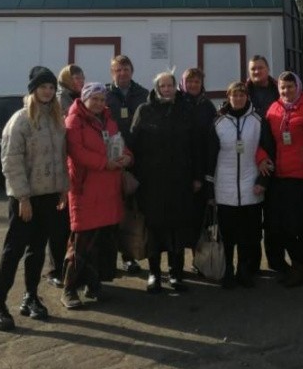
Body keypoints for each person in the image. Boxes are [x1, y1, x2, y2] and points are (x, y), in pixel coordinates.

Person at [0, 66, 68, 331]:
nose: (48, 91)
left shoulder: (56, 119)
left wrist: (63, 188)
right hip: (26, 199)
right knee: (13, 251)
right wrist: (22, 198)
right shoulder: (21, 120)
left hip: (49, 196)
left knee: (37, 250)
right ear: (33, 90)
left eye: (52, 87)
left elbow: (61, 158)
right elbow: (11, 162)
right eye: (43, 87)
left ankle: (30, 296)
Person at [129, 72, 202, 293]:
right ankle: (154, 273)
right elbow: (134, 145)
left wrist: (197, 176)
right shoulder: (145, 110)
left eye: (170, 85)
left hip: (180, 181)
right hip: (152, 183)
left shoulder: (185, 110)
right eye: (163, 86)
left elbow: (196, 145)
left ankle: (175, 273)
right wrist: (135, 176)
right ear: (157, 88)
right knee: (154, 229)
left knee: (177, 228)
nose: (167, 89)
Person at [62, 82, 133, 309]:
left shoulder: (108, 121)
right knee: (81, 242)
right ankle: (69, 288)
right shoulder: (74, 121)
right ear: (84, 99)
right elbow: (77, 152)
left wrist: (127, 157)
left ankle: (94, 284)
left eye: (102, 99)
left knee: (101, 241)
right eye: (95, 99)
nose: (99, 103)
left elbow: (119, 143)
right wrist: (105, 163)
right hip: (86, 189)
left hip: (108, 189)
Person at [206, 81, 273, 289]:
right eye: (234, 95)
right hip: (225, 187)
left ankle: (244, 270)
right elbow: (209, 156)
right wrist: (210, 188)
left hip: (251, 185)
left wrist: (262, 181)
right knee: (227, 234)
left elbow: (268, 151)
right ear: (228, 97)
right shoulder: (218, 122)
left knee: (248, 234)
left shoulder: (258, 120)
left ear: (247, 97)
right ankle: (227, 270)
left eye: (242, 95)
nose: (238, 98)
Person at [265, 71, 303, 287]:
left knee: (296, 226)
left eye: (290, 86)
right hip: (280, 177)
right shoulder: (274, 109)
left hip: (301, 177)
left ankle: (300, 268)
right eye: (282, 87)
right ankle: (295, 266)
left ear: (297, 87)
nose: (286, 91)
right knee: (280, 226)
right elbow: (265, 141)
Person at [41, 64, 85, 288]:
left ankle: (71, 266)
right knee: (59, 223)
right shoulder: (61, 99)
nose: (79, 80)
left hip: (75, 166)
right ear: (66, 79)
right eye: (75, 77)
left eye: (81, 77)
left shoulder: (80, 98)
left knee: (73, 223)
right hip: (60, 167)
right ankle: (54, 269)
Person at [105, 54, 148, 274]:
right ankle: (109, 258)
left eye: (126, 69)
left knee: (133, 211)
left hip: (138, 160)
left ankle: (130, 256)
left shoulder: (143, 94)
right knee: (112, 211)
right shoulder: (104, 95)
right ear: (112, 73)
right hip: (112, 162)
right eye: (118, 70)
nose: (122, 73)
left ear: (132, 71)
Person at [245, 55, 282, 274]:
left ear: (268, 69)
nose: (257, 72)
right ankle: (252, 263)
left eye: (260, 68)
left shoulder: (280, 90)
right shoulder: (242, 92)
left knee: (274, 218)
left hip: (277, 158)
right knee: (251, 218)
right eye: (253, 69)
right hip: (250, 161)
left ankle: (276, 260)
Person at [179, 67, 217, 249]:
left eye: (197, 81)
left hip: (201, 169)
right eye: (189, 81)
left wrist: (202, 175)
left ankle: (200, 258)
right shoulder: (176, 104)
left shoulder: (207, 106)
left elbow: (210, 143)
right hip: (180, 169)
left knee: (200, 220)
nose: (193, 85)